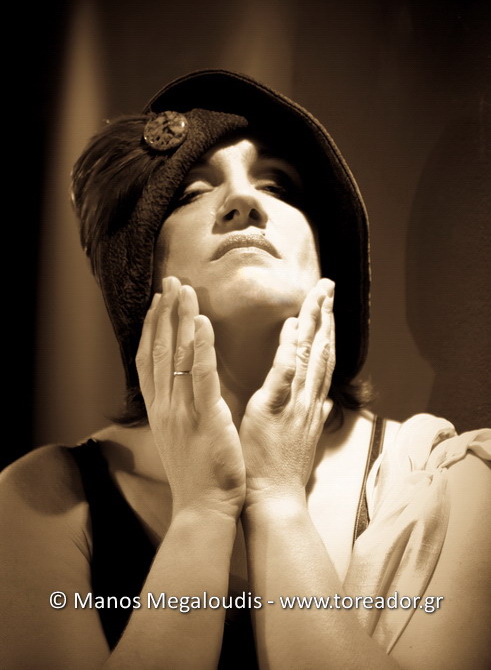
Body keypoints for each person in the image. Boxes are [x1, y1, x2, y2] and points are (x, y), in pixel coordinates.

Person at [1, 69, 490, 670]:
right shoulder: (45, 497)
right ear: (136, 274)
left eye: (278, 184)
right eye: (190, 193)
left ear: (326, 257)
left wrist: (277, 502)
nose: (245, 201)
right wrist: (202, 510)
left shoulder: (454, 481)